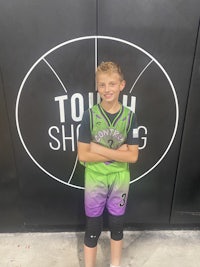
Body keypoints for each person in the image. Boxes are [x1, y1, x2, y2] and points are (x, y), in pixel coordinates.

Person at [78, 61, 139, 267]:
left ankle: (115, 264)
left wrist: (98, 148)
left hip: (120, 177)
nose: (107, 89)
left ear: (122, 85)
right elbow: (83, 156)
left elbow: (133, 157)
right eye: (102, 85)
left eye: (112, 84)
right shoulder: (89, 116)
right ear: (97, 87)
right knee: (93, 227)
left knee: (116, 225)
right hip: (95, 177)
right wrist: (117, 153)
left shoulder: (130, 117)